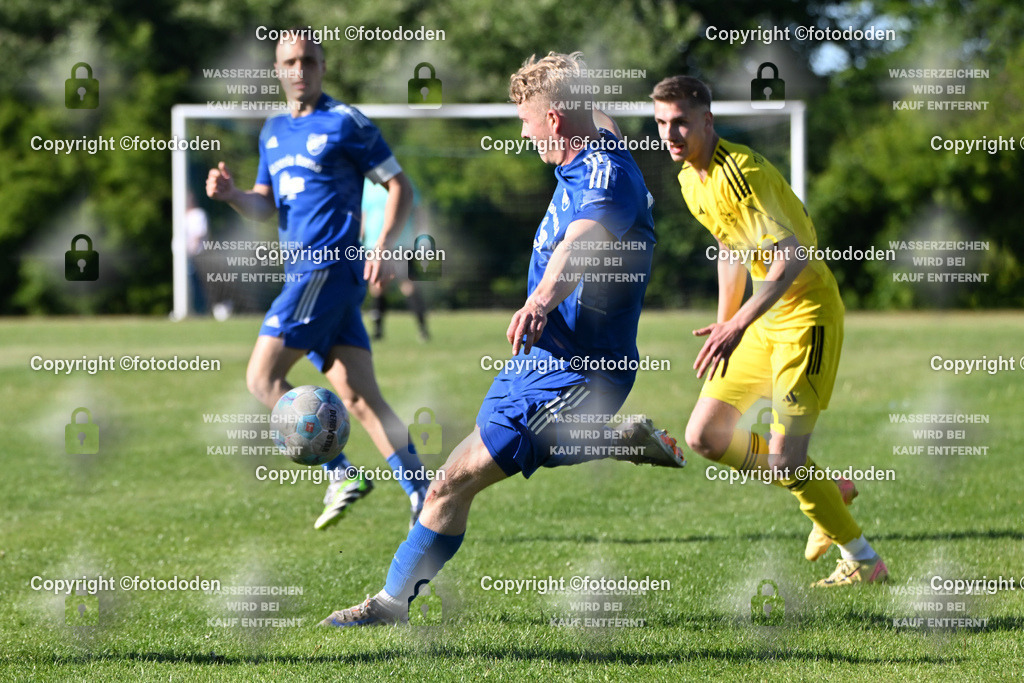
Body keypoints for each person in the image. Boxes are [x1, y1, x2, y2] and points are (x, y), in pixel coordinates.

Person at [320, 51, 685, 627]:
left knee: (452, 481)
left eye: (526, 121)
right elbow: (602, 117)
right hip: (537, 362)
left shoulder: (608, 179)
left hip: (580, 375)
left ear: (556, 122)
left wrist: (539, 300)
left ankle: (390, 606)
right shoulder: (601, 142)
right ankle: (611, 440)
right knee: (450, 484)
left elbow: (578, 244)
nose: (523, 132)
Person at [651, 75, 887, 586]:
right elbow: (731, 248)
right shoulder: (691, 179)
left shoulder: (743, 173)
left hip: (806, 319)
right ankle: (826, 487)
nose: (671, 134)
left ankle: (865, 562)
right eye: (662, 124)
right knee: (706, 436)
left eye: (681, 123)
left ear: (707, 121)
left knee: (785, 462)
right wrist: (725, 317)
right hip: (762, 318)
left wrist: (738, 323)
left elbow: (794, 258)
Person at [206, 29, 429, 530]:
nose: (299, 69)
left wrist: (385, 245)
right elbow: (265, 203)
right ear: (278, 69)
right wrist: (234, 195)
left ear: (323, 66)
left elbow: (400, 186)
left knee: (261, 378)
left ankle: (339, 469)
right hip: (312, 276)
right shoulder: (272, 132)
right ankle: (424, 495)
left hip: (326, 267)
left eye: (308, 60)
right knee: (359, 399)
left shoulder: (346, 122)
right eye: (290, 61)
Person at [360, 178, 430, 341]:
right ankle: (380, 331)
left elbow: (418, 210)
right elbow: (365, 215)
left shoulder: (401, 181)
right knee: (382, 285)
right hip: (379, 244)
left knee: (404, 284)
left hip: (397, 244)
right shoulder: (370, 186)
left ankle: (421, 330)